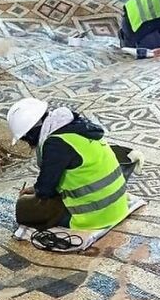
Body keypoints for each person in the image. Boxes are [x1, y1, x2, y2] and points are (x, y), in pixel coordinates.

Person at [7, 98, 130, 232]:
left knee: (23, 208)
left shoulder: (55, 144)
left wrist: (37, 192)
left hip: (94, 216)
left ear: (31, 133)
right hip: (118, 207)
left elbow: (46, 190)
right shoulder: (75, 127)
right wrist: (36, 188)